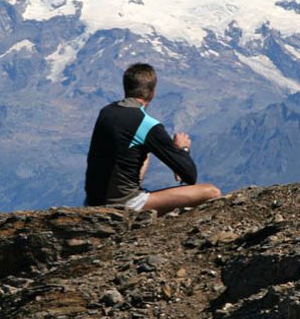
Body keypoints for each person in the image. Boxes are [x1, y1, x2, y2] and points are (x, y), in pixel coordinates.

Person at [84, 63, 221, 216]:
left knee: (143, 152)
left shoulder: (106, 112)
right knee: (211, 192)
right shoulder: (147, 124)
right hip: (123, 203)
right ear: (152, 92)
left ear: (126, 88)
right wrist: (182, 149)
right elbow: (190, 175)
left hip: (93, 200)